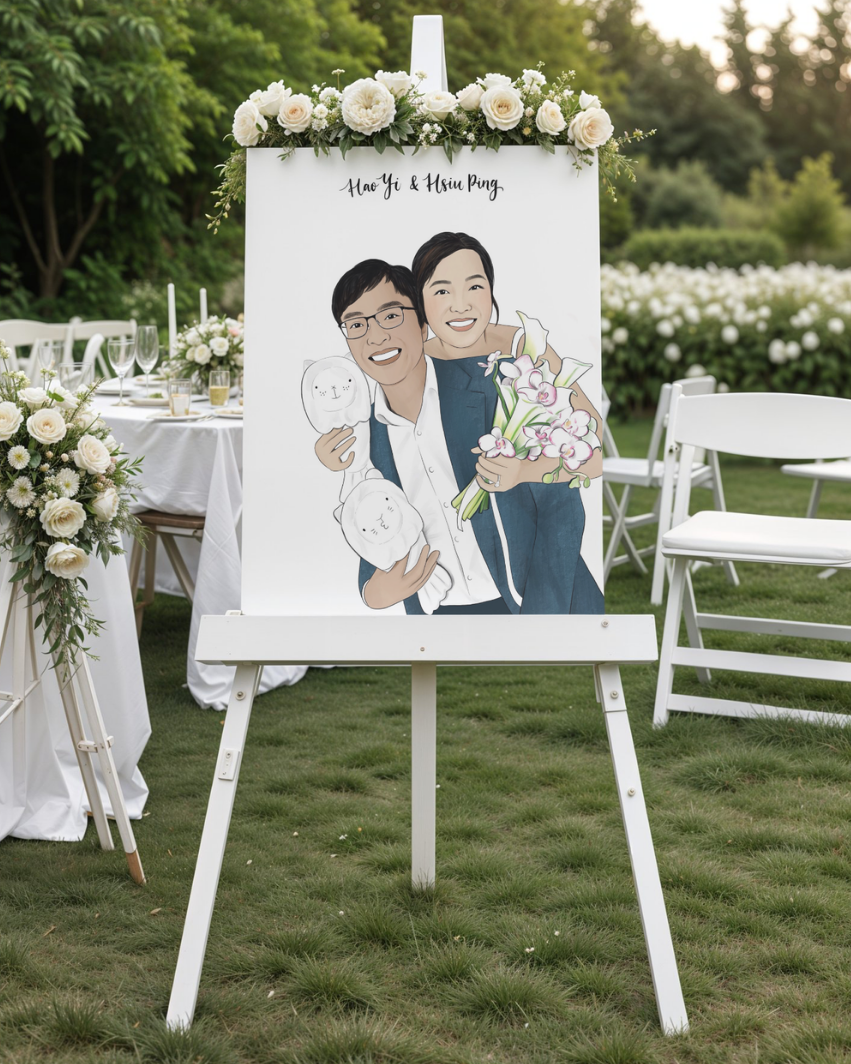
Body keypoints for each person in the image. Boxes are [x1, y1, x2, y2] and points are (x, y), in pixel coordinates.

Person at [314, 257, 599, 614]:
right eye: (355, 324)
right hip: (438, 612)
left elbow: (561, 504)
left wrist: (542, 610)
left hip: (526, 601)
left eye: (390, 316)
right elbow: (373, 523)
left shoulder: (495, 386)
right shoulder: (364, 437)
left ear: (422, 325)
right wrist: (374, 591)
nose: (375, 335)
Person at [411, 231, 604, 613]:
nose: (460, 305)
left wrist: (525, 470)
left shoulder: (523, 349)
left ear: (492, 292)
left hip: (543, 528)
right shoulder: (412, 364)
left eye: (475, 286)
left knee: (570, 629)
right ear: (419, 302)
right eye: (442, 291)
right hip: (456, 560)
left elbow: (596, 453)